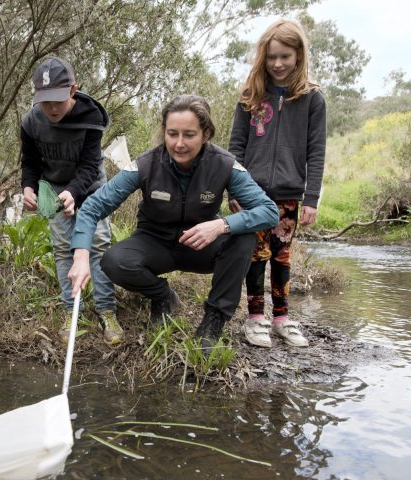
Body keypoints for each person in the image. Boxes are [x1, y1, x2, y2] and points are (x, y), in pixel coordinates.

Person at [68, 94, 279, 352]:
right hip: (155, 243)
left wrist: (220, 225)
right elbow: (92, 207)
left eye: (189, 135)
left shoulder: (224, 165)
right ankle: (162, 296)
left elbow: (269, 211)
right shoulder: (145, 165)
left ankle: (213, 320)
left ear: (206, 134)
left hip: (201, 245)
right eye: (172, 134)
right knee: (113, 261)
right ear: (164, 132)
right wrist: (80, 255)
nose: (179, 143)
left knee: (244, 235)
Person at [228, 19, 326, 348]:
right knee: (255, 255)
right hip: (252, 194)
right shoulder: (250, 95)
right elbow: (235, 148)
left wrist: (310, 198)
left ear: (299, 55)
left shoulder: (312, 98)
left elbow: (317, 151)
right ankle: (256, 318)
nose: (278, 64)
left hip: (289, 194)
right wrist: (234, 191)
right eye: (271, 57)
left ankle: (282, 317)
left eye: (285, 56)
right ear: (263, 57)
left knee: (281, 257)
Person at [21, 57, 120, 345]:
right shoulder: (31, 122)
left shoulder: (91, 118)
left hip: (91, 190)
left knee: (98, 245)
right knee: (64, 249)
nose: (52, 108)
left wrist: (74, 193)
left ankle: (106, 310)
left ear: (73, 90)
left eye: (58, 101)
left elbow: (90, 166)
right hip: (55, 190)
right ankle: (71, 311)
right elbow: (30, 162)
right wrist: (28, 187)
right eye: (45, 101)